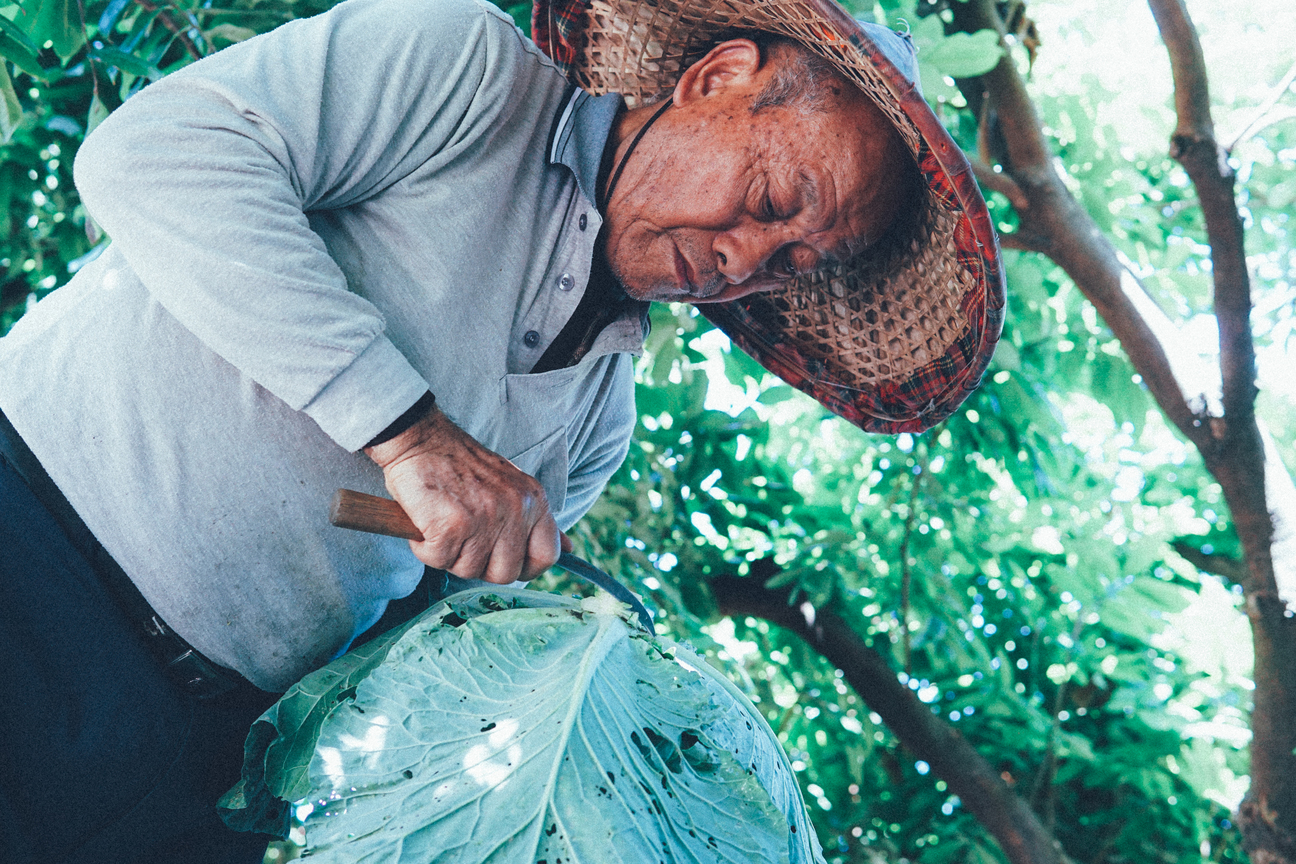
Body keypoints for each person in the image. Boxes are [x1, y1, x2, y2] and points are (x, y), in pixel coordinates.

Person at [0, 0, 1004, 859]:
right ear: (718, 76)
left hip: (186, 748)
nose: (747, 258)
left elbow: (408, 659)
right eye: (773, 199)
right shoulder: (473, 73)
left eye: (791, 259)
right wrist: (410, 435)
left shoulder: (596, 423)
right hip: (26, 537)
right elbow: (151, 154)